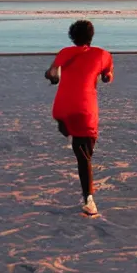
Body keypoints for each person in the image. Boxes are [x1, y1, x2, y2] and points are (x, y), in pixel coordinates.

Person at [45, 20, 114, 216]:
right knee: (85, 156)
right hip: (85, 111)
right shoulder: (103, 55)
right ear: (91, 36)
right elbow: (108, 77)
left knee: (81, 150)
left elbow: (52, 73)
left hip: (62, 109)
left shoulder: (65, 52)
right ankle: (89, 200)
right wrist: (103, 76)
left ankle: (69, 134)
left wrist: (52, 78)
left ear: (72, 37)